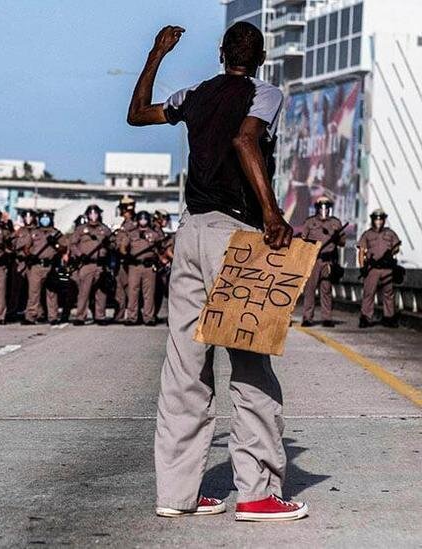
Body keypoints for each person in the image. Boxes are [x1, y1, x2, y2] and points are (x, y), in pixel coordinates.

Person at [128, 22, 305, 520]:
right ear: (262, 56)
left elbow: (137, 114)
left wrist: (156, 53)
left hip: (191, 230)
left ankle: (177, 495)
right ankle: (256, 493)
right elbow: (247, 140)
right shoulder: (263, 92)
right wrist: (272, 212)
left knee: (185, 366)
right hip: (236, 235)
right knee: (249, 363)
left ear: (221, 53)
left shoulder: (195, 94)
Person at [300, 197, 345, 327]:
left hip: (328, 261)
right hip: (313, 260)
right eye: (321, 206)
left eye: (326, 206)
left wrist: (337, 237)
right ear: (317, 207)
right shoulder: (310, 222)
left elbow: (342, 243)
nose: (323, 209)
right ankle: (307, 318)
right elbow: (303, 241)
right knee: (310, 289)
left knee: (326, 289)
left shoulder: (335, 223)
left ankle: (327, 318)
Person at [19, 210, 68, 325]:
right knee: (33, 293)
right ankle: (31, 316)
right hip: (36, 266)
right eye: (42, 218)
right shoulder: (34, 232)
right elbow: (26, 247)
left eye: (47, 218)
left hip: (50, 266)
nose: (44, 220)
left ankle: (53, 317)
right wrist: (29, 256)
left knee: (51, 293)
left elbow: (64, 248)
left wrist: (55, 244)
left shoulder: (56, 233)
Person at [117, 210, 163, 326]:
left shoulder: (154, 234)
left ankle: (149, 317)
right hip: (134, 266)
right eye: (141, 219)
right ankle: (132, 317)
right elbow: (123, 246)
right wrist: (126, 255)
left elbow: (160, 247)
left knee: (149, 293)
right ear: (137, 220)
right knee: (133, 292)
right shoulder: (132, 233)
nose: (143, 221)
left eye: (145, 219)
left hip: (149, 267)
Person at [69, 204, 112, 326]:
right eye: (91, 213)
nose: (93, 216)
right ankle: (80, 316)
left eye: (95, 213)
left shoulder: (105, 229)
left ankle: (100, 316)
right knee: (84, 291)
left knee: (101, 293)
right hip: (86, 264)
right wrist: (79, 254)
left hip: (100, 264)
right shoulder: (81, 229)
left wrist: (108, 244)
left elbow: (113, 245)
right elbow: (73, 244)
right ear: (87, 215)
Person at [358, 209, 401, 328]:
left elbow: (397, 247)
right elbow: (361, 251)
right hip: (372, 269)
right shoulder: (367, 234)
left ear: (384, 220)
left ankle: (389, 317)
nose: (378, 221)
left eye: (381, 219)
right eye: (376, 219)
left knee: (388, 293)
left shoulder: (390, 233)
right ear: (373, 220)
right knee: (369, 293)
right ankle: (365, 318)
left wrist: (391, 252)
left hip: (387, 268)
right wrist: (362, 267)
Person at [113, 195, 137, 323]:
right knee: (119, 289)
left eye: (125, 209)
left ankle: (134, 315)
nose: (123, 212)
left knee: (130, 288)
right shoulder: (123, 224)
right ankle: (120, 314)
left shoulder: (134, 224)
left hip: (129, 261)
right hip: (120, 262)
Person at [153, 210, 174, 319]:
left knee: (160, 292)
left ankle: (153, 314)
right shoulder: (154, 231)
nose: (166, 221)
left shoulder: (160, 231)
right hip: (155, 265)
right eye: (164, 218)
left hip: (161, 266)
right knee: (156, 292)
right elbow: (153, 248)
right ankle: (152, 315)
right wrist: (161, 258)